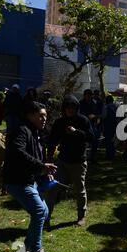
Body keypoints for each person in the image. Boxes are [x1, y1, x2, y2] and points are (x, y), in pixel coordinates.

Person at [3, 101, 57, 252]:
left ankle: (24, 249)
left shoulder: (34, 132)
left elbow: (32, 158)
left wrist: (43, 172)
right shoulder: (22, 130)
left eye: (45, 116)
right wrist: (41, 166)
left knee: (44, 211)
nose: (44, 119)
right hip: (17, 181)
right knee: (40, 211)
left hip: (29, 180)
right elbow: (17, 152)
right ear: (29, 115)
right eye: (40, 115)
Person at [45, 95, 94, 228]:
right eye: (68, 107)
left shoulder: (83, 120)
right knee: (52, 188)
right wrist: (49, 157)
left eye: (73, 107)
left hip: (79, 161)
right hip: (62, 161)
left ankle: (81, 216)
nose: (70, 110)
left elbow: (91, 137)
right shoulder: (59, 122)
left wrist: (76, 132)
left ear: (77, 108)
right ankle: (46, 217)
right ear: (64, 109)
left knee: (79, 190)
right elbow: (52, 140)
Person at [79, 89, 99, 163]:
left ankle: (93, 158)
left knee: (95, 142)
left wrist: (96, 117)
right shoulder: (81, 103)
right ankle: (83, 157)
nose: (89, 97)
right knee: (83, 142)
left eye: (90, 95)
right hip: (83, 125)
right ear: (85, 95)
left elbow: (96, 112)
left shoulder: (93, 103)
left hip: (92, 124)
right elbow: (79, 114)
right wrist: (87, 116)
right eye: (88, 95)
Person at [102, 95, 118, 160]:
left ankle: (109, 155)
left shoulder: (106, 107)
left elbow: (104, 116)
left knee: (108, 141)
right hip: (115, 126)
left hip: (107, 126)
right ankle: (113, 154)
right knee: (113, 141)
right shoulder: (116, 107)